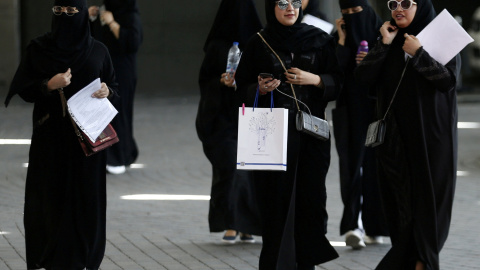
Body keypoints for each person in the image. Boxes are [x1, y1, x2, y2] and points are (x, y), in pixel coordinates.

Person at [4, 0, 118, 269]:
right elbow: (24, 87)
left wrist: (107, 92)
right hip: (51, 140)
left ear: (82, 13)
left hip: (88, 143)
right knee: (49, 199)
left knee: (85, 200)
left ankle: (83, 257)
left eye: (71, 11)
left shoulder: (98, 51)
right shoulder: (40, 49)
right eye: (59, 11)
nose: (65, 16)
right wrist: (48, 84)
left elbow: (114, 85)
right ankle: (51, 257)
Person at [235, 0, 343, 269]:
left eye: (295, 2)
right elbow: (240, 87)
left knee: (311, 200)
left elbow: (341, 81)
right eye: (282, 2)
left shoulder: (319, 39)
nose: (290, 8)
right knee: (275, 201)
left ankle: (305, 264)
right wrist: (259, 89)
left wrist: (315, 80)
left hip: (311, 135)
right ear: (272, 6)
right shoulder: (258, 42)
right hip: (272, 134)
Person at [355, 0, 460, 269]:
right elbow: (363, 80)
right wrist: (384, 44)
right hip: (394, 141)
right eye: (393, 3)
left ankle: (423, 260)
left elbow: (447, 82)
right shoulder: (389, 39)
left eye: (405, 3)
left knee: (429, 201)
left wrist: (419, 53)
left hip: (431, 139)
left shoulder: (441, 37)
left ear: (420, 6)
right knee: (400, 203)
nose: (398, 9)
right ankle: (410, 258)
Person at [195, 0, 263, 244]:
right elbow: (205, 82)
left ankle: (247, 226)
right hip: (222, 118)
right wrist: (220, 83)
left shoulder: (259, 44)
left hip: (251, 118)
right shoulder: (216, 48)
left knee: (249, 172)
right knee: (230, 168)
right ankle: (230, 223)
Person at [332, 0, 389, 249]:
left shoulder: (384, 34)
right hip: (350, 112)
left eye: (357, 11)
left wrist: (374, 57)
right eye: (347, 13)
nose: (352, 17)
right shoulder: (338, 38)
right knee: (351, 166)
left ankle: (376, 225)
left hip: (377, 111)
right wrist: (343, 42)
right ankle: (352, 224)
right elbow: (333, 73)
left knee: (377, 167)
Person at [89, 0, 143, 175]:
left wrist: (112, 22)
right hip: (107, 72)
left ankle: (118, 158)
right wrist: (91, 18)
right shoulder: (107, 10)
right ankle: (117, 155)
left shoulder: (130, 15)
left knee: (120, 113)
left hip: (123, 73)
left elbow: (133, 42)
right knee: (109, 114)